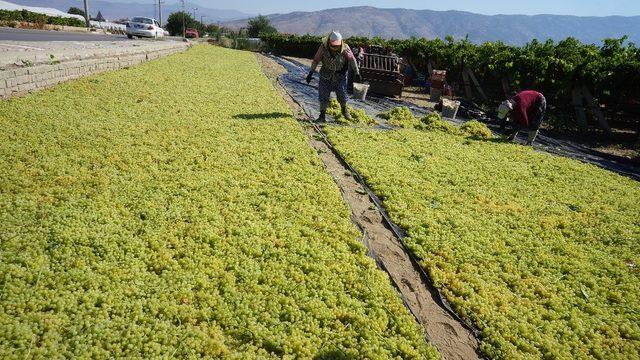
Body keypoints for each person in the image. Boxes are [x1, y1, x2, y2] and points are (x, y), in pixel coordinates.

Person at [306, 31, 362, 122]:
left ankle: (344, 111)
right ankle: (322, 115)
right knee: (323, 94)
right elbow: (316, 60)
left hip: (340, 75)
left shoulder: (345, 48)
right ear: (329, 42)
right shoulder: (323, 47)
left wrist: (357, 73)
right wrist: (310, 72)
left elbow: (352, 60)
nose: (335, 47)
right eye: (333, 45)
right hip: (325, 75)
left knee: (342, 93)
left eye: (337, 45)